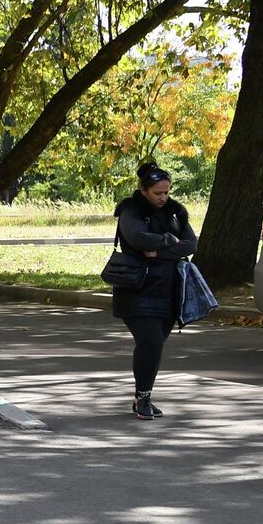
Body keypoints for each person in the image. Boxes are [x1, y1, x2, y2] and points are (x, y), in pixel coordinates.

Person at [112, 162, 197, 420]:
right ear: (144, 190)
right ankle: (144, 397)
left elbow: (191, 244)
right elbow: (137, 238)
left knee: (156, 345)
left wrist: (159, 250)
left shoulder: (175, 212)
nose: (163, 197)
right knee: (150, 341)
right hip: (136, 287)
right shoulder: (131, 210)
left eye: (166, 192)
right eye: (157, 193)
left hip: (168, 289)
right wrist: (170, 240)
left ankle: (142, 397)